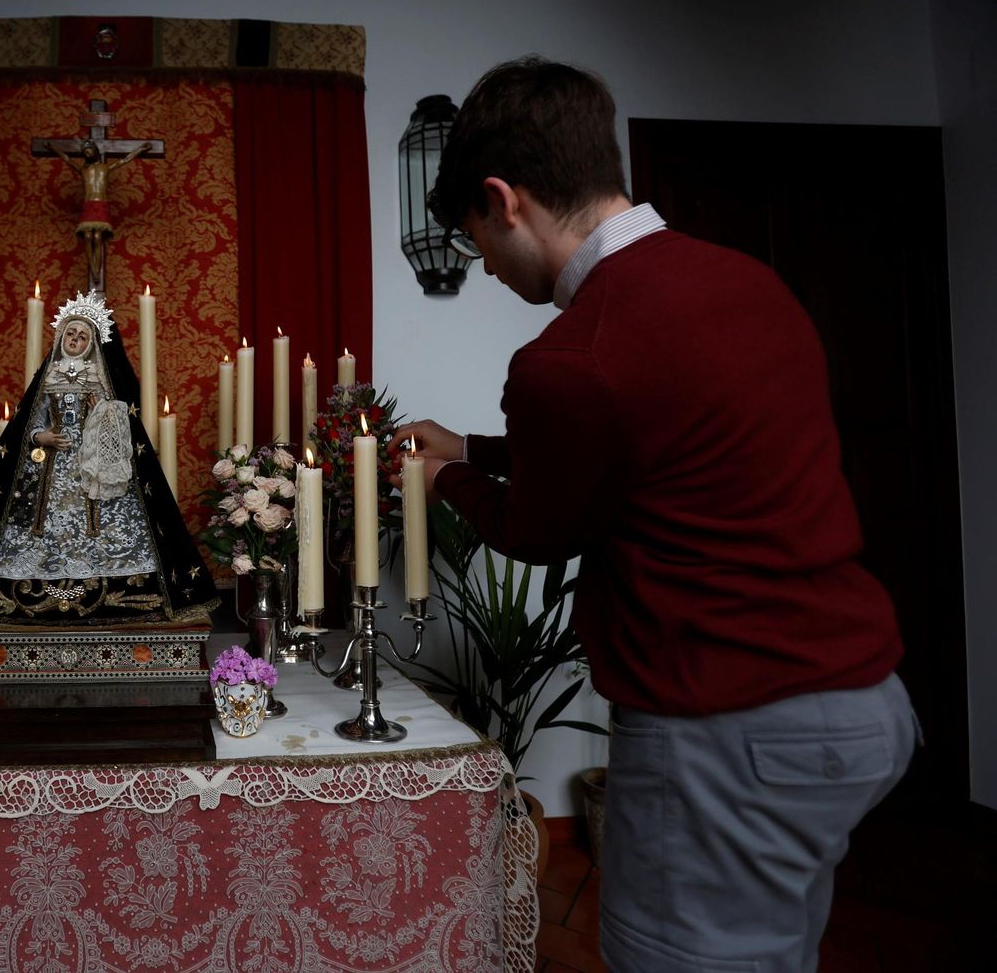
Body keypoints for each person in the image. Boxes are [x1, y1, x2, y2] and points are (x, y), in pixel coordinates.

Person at [389, 57, 913, 973]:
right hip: (863, 705)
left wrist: (439, 481)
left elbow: (540, 532)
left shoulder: (572, 356)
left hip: (731, 727)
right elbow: (661, 443)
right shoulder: (751, 284)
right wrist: (472, 448)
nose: (491, 271)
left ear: (503, 200)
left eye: (477, 242)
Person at [0, 290, 216, 629]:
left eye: (82, 336)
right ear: (61, 337)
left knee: (104, 518)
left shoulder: (98, 379)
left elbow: (118, 421)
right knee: (43, 521)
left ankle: (110, 586)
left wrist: (103, 411)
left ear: (92, 344)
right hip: (52, 467)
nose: (75, 340)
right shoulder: (49, 377)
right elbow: (29, 422)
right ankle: (39, 586)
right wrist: (41, 436)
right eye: (70, 334)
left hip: (94, 463)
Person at [46, 139, 153, 291]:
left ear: (95, 152)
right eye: (85, 153)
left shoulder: (104, 168)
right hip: (88, 204)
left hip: (100, 204)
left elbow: (123, 160)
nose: (88, 154)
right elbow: (68, 160)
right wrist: (54, 148)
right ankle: (94, 269)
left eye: (89, 151)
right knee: (88, 237)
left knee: (97, 237)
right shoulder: (83, 169)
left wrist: (140, 150)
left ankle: (97, 268)